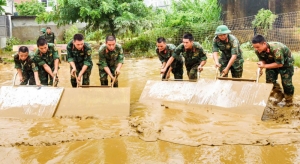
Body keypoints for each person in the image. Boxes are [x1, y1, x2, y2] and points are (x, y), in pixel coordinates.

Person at [252, 35, 294, 106]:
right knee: (269, 81)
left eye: (258, 47)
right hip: (271, 62)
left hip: (286, 64)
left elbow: (280, 64)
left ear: (264, 44)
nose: (256, 49)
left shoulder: (276, 49)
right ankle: (279, 94)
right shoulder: (258, 50)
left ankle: (289, 100)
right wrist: (260, 69)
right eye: (254, 47)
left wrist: (264, 66)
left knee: (287, 83)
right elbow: (262, 60)